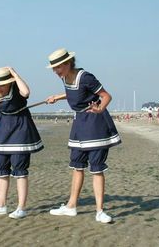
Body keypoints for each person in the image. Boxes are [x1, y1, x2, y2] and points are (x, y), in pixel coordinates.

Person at [45, 48, 121, 224]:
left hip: (95, 124)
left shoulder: (85, 76)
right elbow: (75, 92)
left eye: (58, 67)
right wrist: (57, 97)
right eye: (54, 68)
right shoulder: (65, 78)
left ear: (68, 63)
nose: (56, 71)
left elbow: (106, 96)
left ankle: (100, 211)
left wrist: (100, 108)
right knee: (77, 166)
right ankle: (71, 206)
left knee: (96, 168)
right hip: (79, 123)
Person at [0, 67, 44, 219]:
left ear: (9, 82)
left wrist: (15, 74)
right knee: (1, 166)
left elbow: (26, 93)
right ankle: (1, 205)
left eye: (2, 84)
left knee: (19, 167)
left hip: (20, 126)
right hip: (3, 126)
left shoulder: (17, 87)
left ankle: (21, 208)